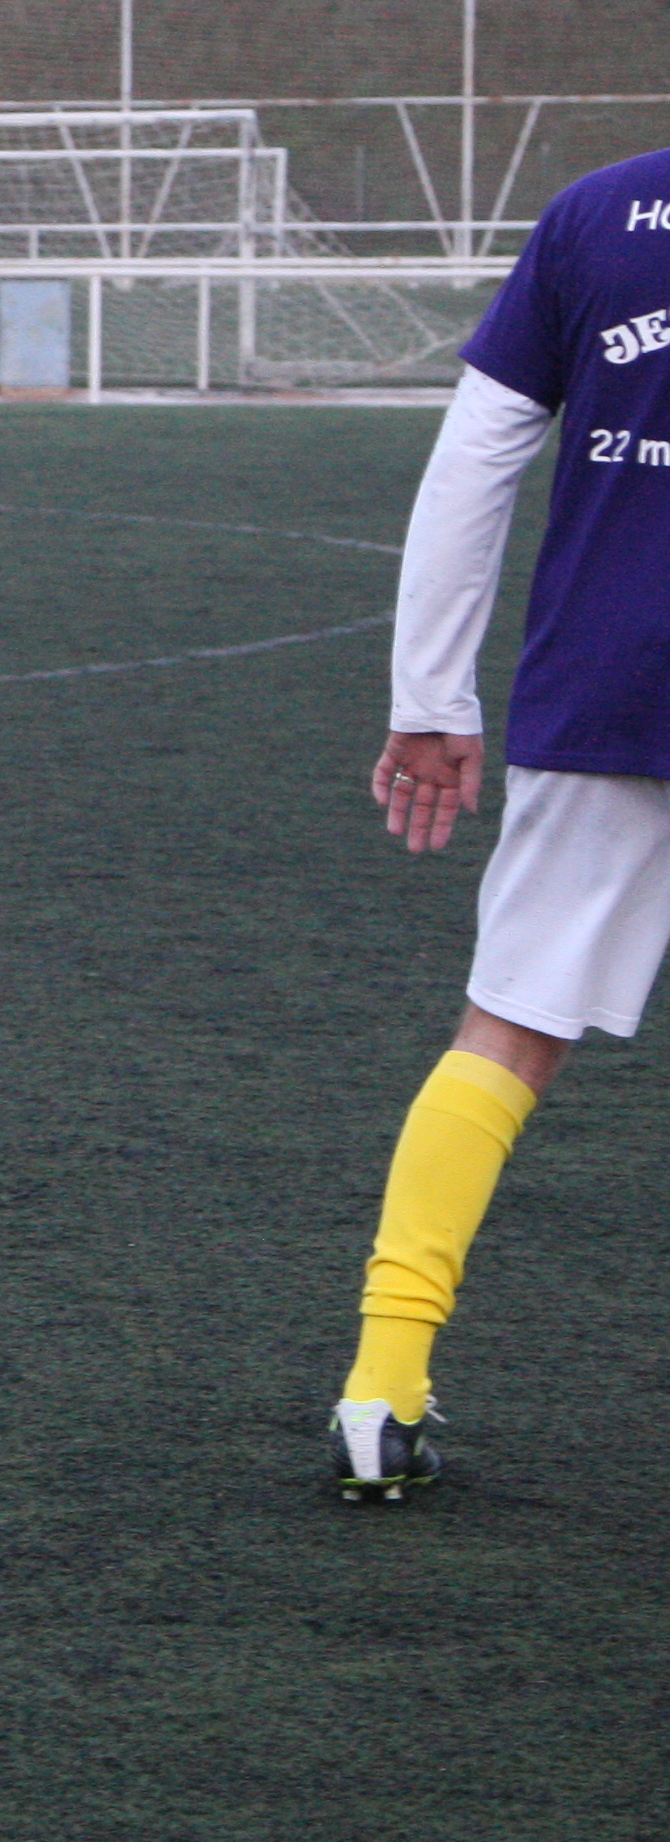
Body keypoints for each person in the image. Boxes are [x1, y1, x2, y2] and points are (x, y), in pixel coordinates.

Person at [325, 140, 670, 1502]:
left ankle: (382, 1388)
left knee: (511, 1024)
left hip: (610, 681)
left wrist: (430, 694)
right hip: (607, 692)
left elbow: (474, 458)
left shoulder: (601, 213)